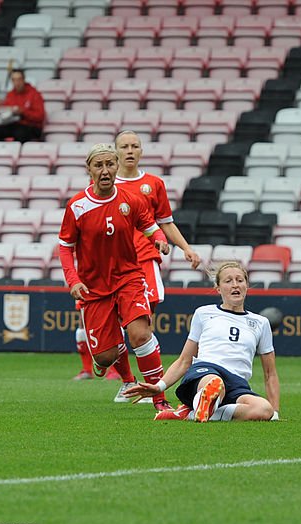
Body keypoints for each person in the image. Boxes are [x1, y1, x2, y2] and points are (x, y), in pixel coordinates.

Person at [58, 143, 174, 412]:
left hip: (128, 278)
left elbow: (150, 226)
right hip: (94, 288)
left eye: (110, 164)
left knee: (140, 335)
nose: (105, 170)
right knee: (105, 356)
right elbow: (65, 246)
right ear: (89, 169)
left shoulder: (131, 200)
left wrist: (159, 240)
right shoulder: (77, 206)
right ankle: (122, 374)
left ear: (116, 167)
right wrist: (73, 280)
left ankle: (160, 401)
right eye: (99, 165)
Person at [105, 130, 202, 403]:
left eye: (135, 146)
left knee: (141, 326)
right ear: (116, 152)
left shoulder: (153, 184)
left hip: (144, 260)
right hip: (110, 264)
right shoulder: (106, 185)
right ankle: (127, 382)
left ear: (141, 151)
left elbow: (165, 222)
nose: (130, 151)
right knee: (113, 330)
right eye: (124, 146)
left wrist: (186, 248)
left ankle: (152, 385)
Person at [125, 261, 280, 423]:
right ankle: (206, 400)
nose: (235, 285)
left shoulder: (261, 323)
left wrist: (275, 412)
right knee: (215, 384)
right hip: (206, 372)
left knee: (264, 410)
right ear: (218, 288)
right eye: (228, 281)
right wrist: (159, 387)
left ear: (246, 285)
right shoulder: (204, 313)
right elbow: (185, 360)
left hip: (237, 384)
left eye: (240, 280)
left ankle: (190, 412)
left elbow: (270, 373)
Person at [0, 69, 44, 143]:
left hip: (31, 126)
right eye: (14, 80)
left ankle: (15, 153)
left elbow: (40, 116)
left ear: (24, 80)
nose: (17, 83)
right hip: (14, 124)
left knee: (20, 133)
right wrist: (0, 108)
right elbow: (5, 113)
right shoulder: (10, 94)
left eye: (19, 79)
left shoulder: (34, 94)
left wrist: (23, 112)